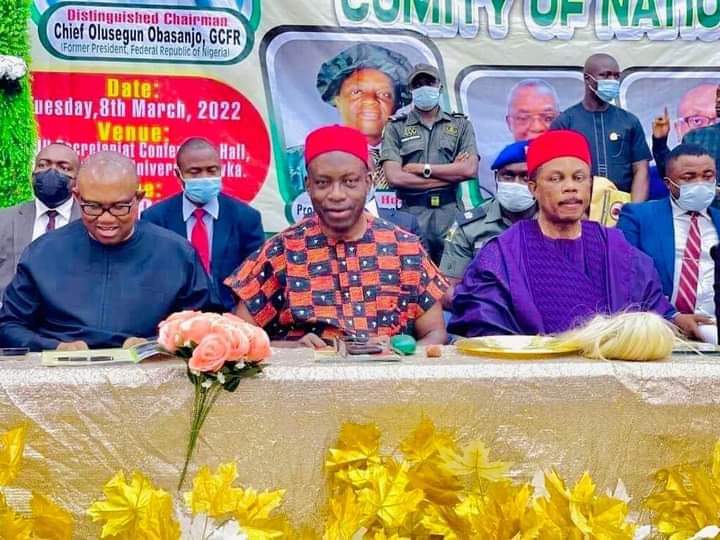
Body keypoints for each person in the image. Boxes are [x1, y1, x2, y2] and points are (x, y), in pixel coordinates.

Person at [448, 130, 705, 338]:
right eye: (556, 179)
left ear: (590, 184)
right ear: (533, 188)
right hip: (531, 375)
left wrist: (676, 319)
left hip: (611, 373)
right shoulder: (504, 252)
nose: (570, 187)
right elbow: (482, 319)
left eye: (579, 177)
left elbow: (649, 304)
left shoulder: (614, 247)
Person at [226, 125, 448, 348]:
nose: (337, 195)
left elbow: (434, 334)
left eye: (349, 182)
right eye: (323, 183)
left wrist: (395, 354)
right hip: (305, 370)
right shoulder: (280, 251)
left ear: (368, 183)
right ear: (308, 186)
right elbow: (241, 338)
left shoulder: (406, 250)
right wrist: (293, 350)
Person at [0, 151, 211, 351]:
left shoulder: (177, 254)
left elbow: (205, 325)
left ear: (138, 198)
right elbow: (10, 326)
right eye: (93, 207)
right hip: (61, 369)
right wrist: (55, 348)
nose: (106, 219)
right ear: (77, 197)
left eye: (119, 207)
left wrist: (156, 345)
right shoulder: (42, 253)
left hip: (148, 368)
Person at [141, 138, 264, 311]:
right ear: (178, 175)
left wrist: (238, 319)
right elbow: (151, 278)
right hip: (173, 315)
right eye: (195, 172)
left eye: (212, 170)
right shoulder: (156, 218)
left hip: (231, 316)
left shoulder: (246, 218)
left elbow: (256, 277)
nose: (204, 178)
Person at [286, 43, 413, 209]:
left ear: (396, 104)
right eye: (357, 92)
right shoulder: (296, 163)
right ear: (336, 98)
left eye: (384, 94)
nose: (370, 101)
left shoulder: (415, 158)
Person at [617, 144, 719, 343]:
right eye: (689, 178)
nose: (700, 183)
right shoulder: (638, 217)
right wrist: (673, 316)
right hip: (658, 330)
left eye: (708, 176)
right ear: (668, 183)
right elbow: (626, 276)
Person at [381, 63, 479, 264]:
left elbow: (469, 169)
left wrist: (422, 169)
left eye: (429, 82)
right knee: (413, 273)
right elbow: (394, 177)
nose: (424, 87)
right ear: (411, 90)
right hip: (411, 214)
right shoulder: (395, 127)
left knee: (452, 274)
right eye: (418, 84)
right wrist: (452, 176)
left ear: (439, 87)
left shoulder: (460, 125)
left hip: (450, 214)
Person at [439, 140, 536, 308]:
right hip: (483, 313)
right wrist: (485, 309)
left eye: (525, 177)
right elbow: (446, 289)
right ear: (496, 178)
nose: (516, 183)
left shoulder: (554, 222)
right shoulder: (469, 226)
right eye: (508, 176)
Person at [551, 54, 651, 202]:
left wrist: (634, 210)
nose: (612, 81)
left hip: (622, 207)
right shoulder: (565, 122)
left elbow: (641, 169)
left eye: (616, 76)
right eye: (605, 75)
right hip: (579, 206)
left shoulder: (629, 121)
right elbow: (554, 172)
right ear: (587, 78)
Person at [0, 143, 81, 296]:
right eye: (43, 165)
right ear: (32, 174)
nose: (52, 172)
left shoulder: (90, 224)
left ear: (78, 179)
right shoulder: (4, 220)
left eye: (64, 168)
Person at [651, 84, 719, 179]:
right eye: (697, 121)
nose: (718, 100)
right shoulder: (694, 136)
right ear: (678, 128)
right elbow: (674, 174)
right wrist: (660, 142)